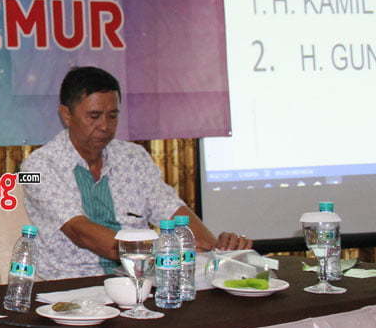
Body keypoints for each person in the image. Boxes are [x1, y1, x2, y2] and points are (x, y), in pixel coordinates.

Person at [20, 66, 252, 279]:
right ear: (66, 115)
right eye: (94, 116)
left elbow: (172, 210)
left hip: (140, 279)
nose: (105, 126)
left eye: (112, 116)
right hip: (72, 285)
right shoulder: (39, 166)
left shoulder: (134, 157)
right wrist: (167, 248)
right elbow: (81, 233)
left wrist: (217, 250)